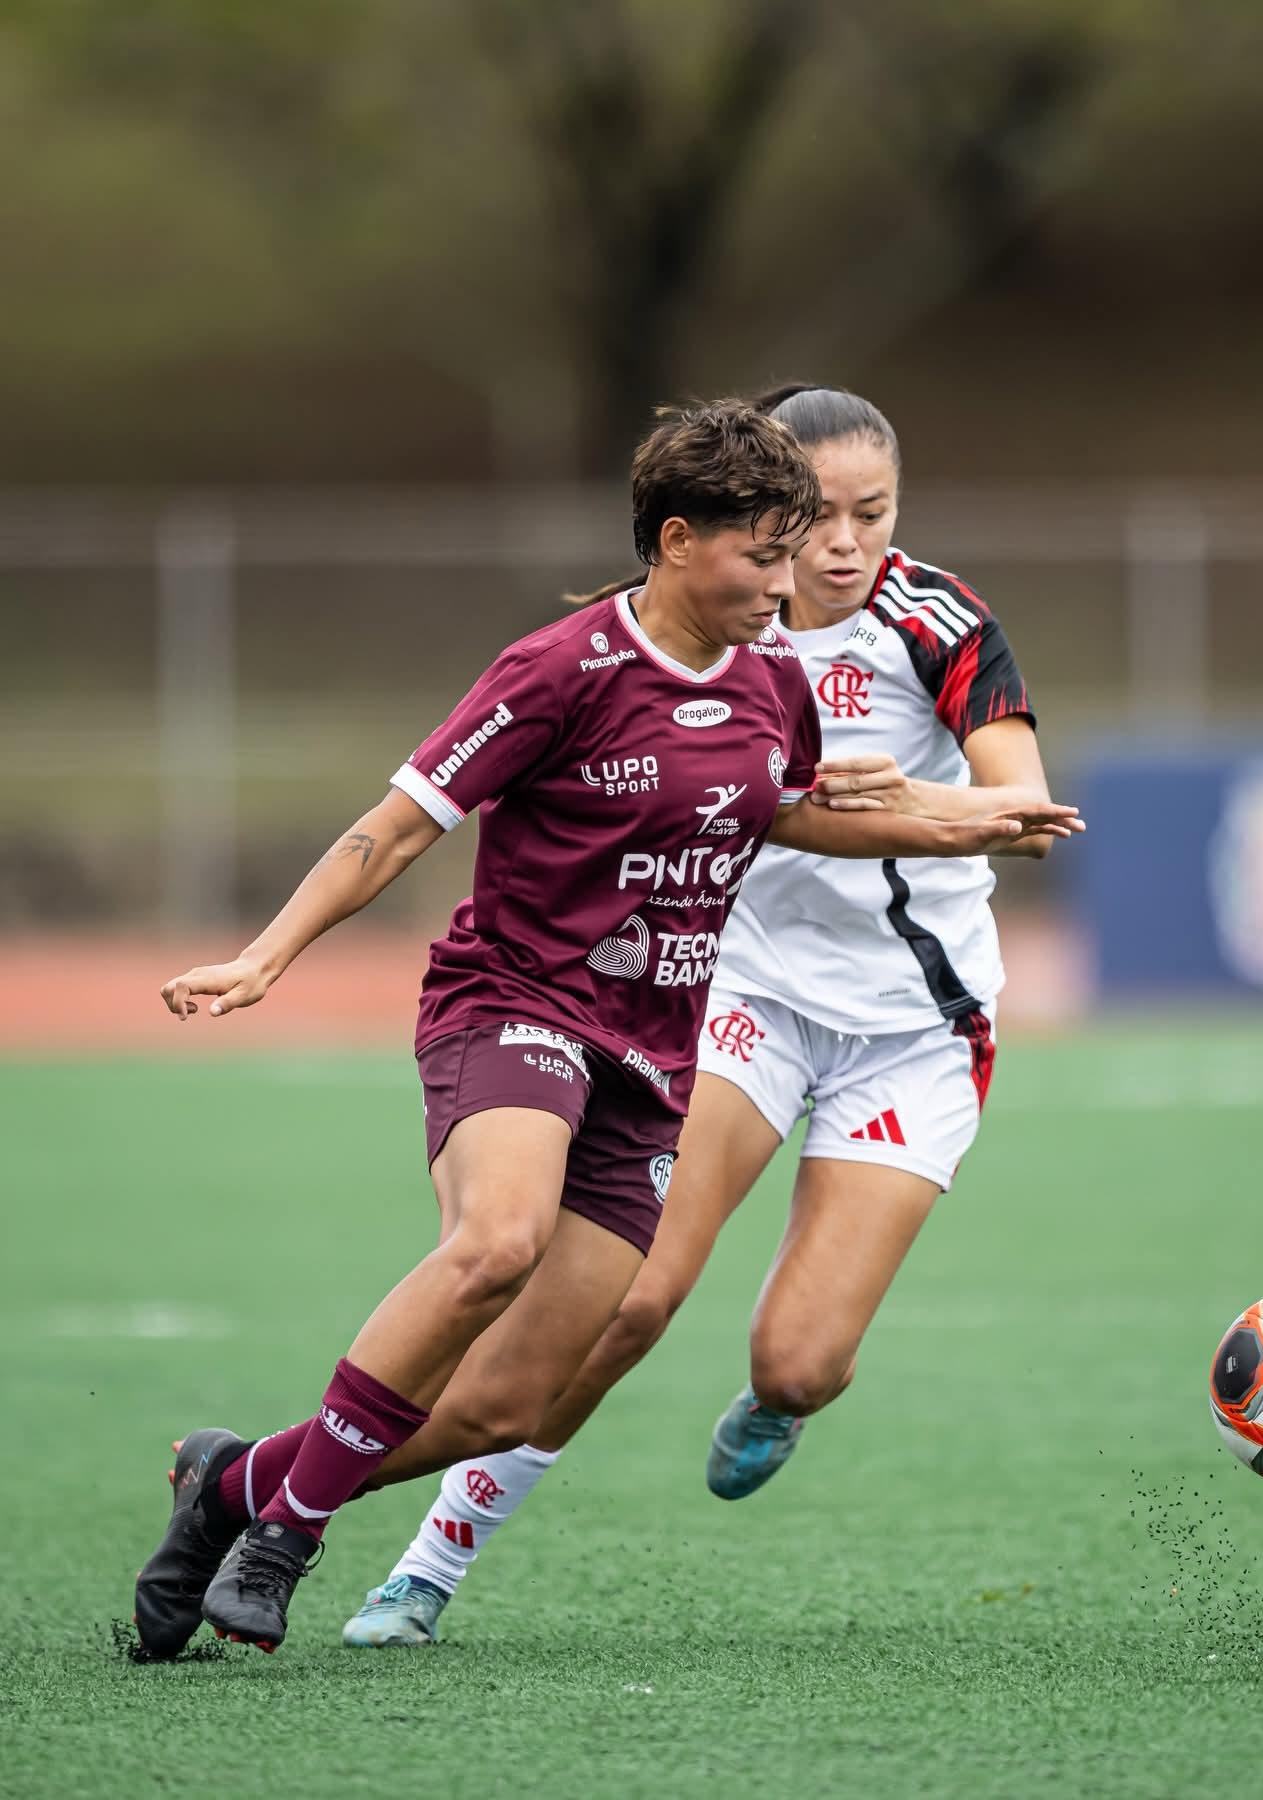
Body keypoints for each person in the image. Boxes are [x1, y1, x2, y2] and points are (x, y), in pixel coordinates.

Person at [133, 397, 1078, 1659]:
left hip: (751, 1029)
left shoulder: (819, 661)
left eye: (862, 520)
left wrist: (961, 816)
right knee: (522, 1256)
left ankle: (240, 1484)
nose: (812, 565)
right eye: (785, 540)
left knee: (559, 1391)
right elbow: (402, 822)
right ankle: (332, 1544)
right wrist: (265, 956)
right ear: (686, 540)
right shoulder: (563, 666)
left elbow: (802, 813)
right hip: (582, 1000)